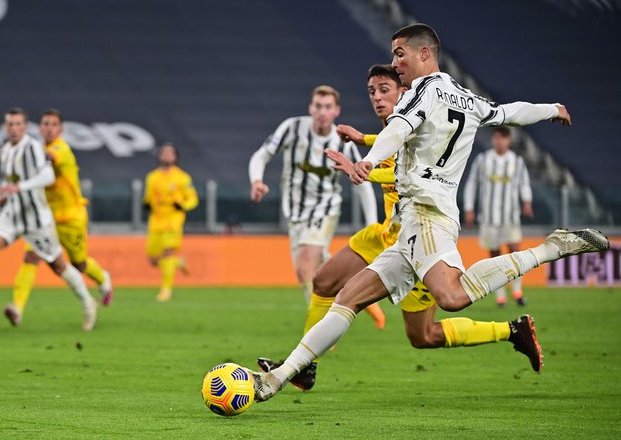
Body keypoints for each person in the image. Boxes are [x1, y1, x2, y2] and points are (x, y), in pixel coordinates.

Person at [251, 24, 608, 402]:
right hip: (413, 220)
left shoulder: (421, 91)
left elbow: (398, 130)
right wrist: (551, 108)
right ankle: (279, 378)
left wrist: (368, 162)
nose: (394, 63)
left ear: (425, 53)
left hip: (426, 213)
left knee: (451, 297)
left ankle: (553, 248)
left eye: (399, 54)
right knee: (347, 299)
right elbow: (508, 113)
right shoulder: (465, 97)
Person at [258, 64, 545, 391]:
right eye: (372, 91)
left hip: (418, 241)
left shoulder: (418, 126)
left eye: (384, 90)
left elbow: (403, 174)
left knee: (423, 336)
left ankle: (511, 330)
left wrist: (361, 168)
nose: (377, 98)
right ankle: (306, 367)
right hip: (385, 233)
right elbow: (387, 146)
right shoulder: (390, 130)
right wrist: (361, 139)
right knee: (323, 282)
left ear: (404, 94)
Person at [0, 108, 98, 331]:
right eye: (10, 124)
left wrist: (20, 187)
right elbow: (9, 182)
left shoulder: (34, 148)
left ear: (25, 127)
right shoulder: (6, 150)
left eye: (18, 124)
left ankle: (88, 302)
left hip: (37, 220)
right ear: (5, 127)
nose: (14, 128)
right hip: (13, 214)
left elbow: (47, 176)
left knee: (59, 267)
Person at [248, 85, 378, 305]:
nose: (322, 112)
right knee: (312, 270)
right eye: (318, 106)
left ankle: (320, 328)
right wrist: (257, 181)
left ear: (336, 111)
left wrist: (372, 223)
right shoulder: (292, 128)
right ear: (310, 108)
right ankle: (352, 290)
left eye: (328, 107)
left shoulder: (341, 142)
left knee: (304, 268)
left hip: (325, 209)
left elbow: (363, 182)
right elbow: (261, 156)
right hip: (295, 212)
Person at [4, 109, 113, 326]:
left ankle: (103, 280)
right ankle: (17, 307)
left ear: (61, 129)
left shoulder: (59, 149)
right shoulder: (34, 148)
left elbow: (47, 159)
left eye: (53, 124)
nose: (49, 128)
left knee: (79, 264)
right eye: (45, 123)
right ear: (39, 127)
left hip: (71, 217)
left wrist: (18, 154)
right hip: (44, 218)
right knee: (31, 257)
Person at [463, 126, 533, 306]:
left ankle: (517, 292)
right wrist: (469, 208)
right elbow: (472, 183)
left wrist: (527, 201)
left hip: (510, 217)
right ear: (493, 140)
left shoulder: (516, 161)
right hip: (489, 217)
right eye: (496, 138)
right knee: (494, 257)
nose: (499, 142)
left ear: (508, 140)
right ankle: (500, 295)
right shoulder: (483, 160)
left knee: (515, 253)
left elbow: (524, 183)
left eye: (502, 138)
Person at [144, 143, 198, 302]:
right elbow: (149, 197)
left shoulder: (183, 178)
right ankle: (178, 262)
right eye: (164, 153)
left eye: (170, 153)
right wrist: (146, 203)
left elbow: (193, 199)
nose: (166, 155)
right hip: (156, 221)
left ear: (175, 157)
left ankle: (165, 291)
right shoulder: (152, 177)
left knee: (167, 254)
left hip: (173, 221)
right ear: (159, 156)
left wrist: (183, 205)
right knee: (153, 260)